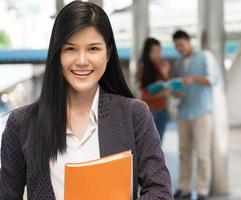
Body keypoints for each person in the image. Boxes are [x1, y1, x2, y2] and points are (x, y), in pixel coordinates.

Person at [0, 1, 173, 200]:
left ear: (107, 54)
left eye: (93, 49)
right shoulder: (21, 123)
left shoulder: (134, 115)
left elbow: (160, 190)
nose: (82, 61)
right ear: (57, 54)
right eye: (71, 49)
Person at [172, 30, 217, 200]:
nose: (179, 48)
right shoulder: (177, 63)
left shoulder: (205, 57)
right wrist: (172, 90)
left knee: (202, 154)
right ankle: (184, 188)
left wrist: (192, 78)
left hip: (202, 112)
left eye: (181, 44)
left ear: (189, 41)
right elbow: (179, 89)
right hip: (184, 111)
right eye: (176, 46)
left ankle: (202, 190)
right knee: (184, 153)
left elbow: (213, 79)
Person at [136, 37, 170, 141]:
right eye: (154, 51)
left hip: (162, 110)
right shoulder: (142, 68)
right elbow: (142, 94)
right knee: (148, 144)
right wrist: (159, 95)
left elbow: (170, 86)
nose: (157, 54)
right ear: (147, 53)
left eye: (159, 51)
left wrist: (165, 74)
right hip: (148, 111)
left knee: (159, 143)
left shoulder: (164, 66)